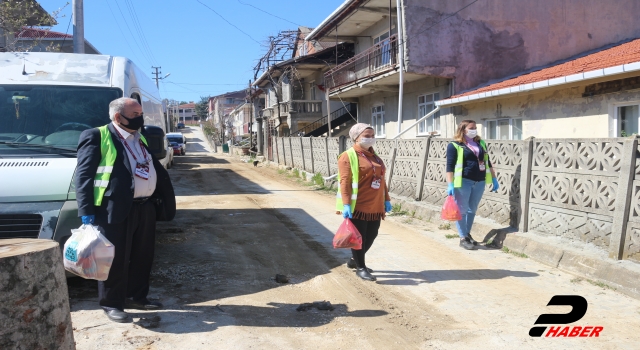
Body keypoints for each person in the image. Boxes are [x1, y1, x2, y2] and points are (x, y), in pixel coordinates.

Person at [75, 97, 176, 323]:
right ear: (118, 117)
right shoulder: (97, 136)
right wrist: (86, 210)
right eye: (135, 114)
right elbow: (83, 176)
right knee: (114, 259)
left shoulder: (139, 138)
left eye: (141, 113)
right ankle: (112, 303)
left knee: (143, 256)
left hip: (144, 207)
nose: (140, 118)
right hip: (113, 210)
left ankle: (137, 296)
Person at [337, 123, 392, 281]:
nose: (371, 139)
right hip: (358, 204)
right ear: (356, 138)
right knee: (359, 237)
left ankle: (355, 261)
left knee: (372, 235)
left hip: (375, 204)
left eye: (372, 135)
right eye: (366, 136)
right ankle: (360, 267)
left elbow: (382, 180)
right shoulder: (348, 156)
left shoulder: (375, 156)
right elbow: (345, 182)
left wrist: (386, 199)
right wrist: (346, 204)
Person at [445, 120, 499, 250]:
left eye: (475, 127)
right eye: (471, 128)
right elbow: (450, 167)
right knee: (462, 210)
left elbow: (488, 162)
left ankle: (467, 234)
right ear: (463, 130)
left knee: (472, 210)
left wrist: (494, 178)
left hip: (479, 181)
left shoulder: (480, 143)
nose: (474, 130)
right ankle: (463, 238)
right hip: (463, 181)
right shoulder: (454, 145)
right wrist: (450, 184)